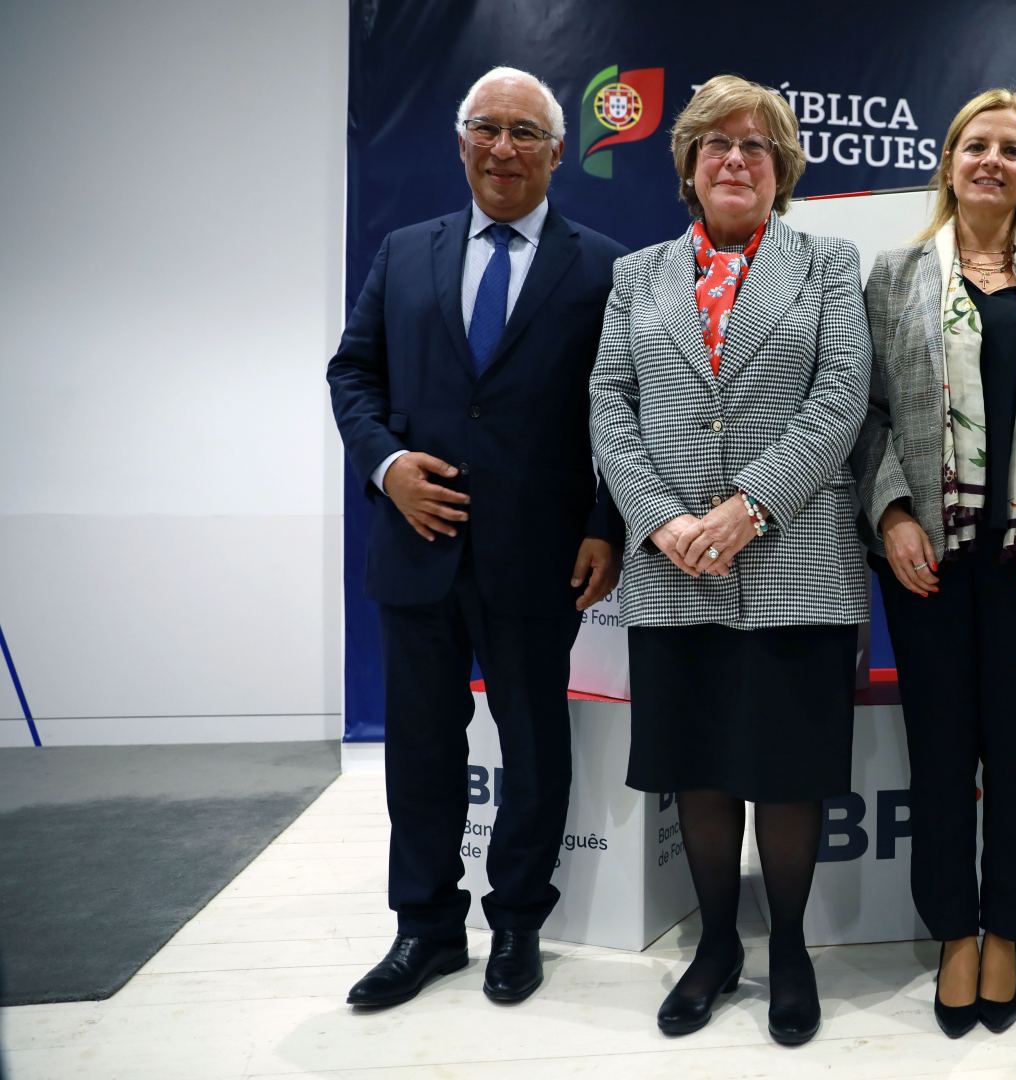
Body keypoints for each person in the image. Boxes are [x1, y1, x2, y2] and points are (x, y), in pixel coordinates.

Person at [327, 66, 627, 1009]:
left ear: (557, 152)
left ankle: (519, 923)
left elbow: (625, 410)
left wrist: (605, 525)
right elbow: (353, 375)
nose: (504, 147)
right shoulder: (402, 252)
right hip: (416, 548)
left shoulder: (606, 267)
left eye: (525, 132)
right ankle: (425, 928)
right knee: (421, 748)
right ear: (460, 142)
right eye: (486, 128)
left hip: (540, 556)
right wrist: (388, 466)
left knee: (534, 746)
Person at [588, 75, 870, 1046]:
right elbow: (609, 404)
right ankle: (715, 947)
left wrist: (752, 505)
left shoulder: (827, 262)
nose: (736, 160)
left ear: (782, 168)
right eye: (717, 144)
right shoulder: (637, 276)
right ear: (689, 165)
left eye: (756, 146)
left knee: (788, 774)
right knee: (699, 771)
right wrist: (659, 519)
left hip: (796, 559)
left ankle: (788, 947)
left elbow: (842, 396)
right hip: (674, 569)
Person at [850, 88, 1016, 1038]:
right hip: (928, 562)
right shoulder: (895, 275)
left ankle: (1006, 932)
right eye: (976, 145)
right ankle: (953, 934)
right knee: (940, 753)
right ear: (950, 162)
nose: (993, 161)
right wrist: (890, 513)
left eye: (1013, 149)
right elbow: (868, 415)